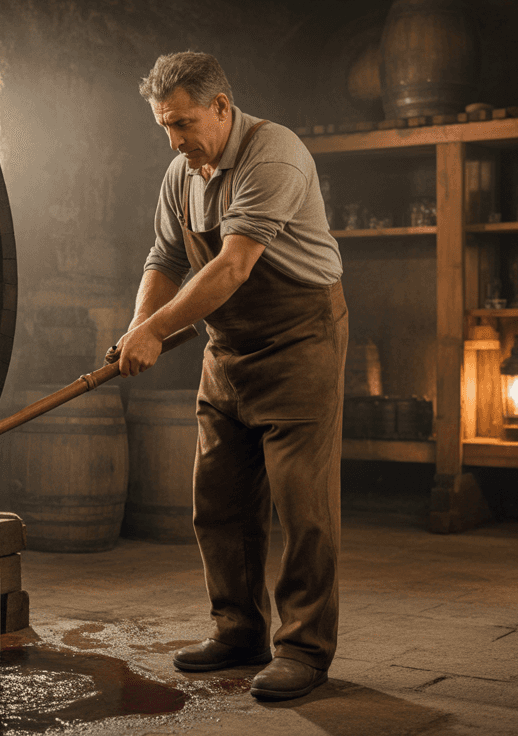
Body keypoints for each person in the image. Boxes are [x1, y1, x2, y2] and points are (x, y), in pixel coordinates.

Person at [114, 51, 347, 701]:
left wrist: (156, 331)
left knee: (304, 505)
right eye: (165, 126)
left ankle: (304, 649)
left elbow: (234, 267)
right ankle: (239, 630)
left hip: (300, 339)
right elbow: (162, 259)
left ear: (222, 107)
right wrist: (138, 325)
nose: (176, 139)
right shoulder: (179, 174)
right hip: (229, 348)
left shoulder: (274, 155)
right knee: (217, 501)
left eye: (185, 123)